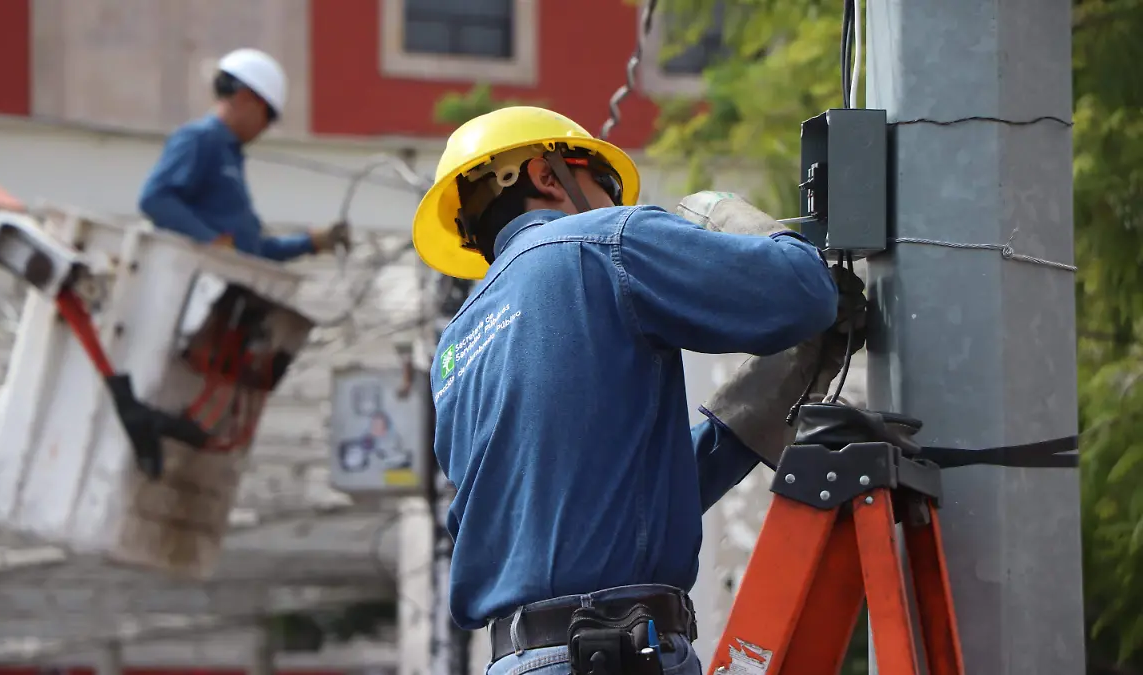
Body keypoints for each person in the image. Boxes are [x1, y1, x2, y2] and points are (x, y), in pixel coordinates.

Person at [411, 106, 867, 675]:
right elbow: (802, 291)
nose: (613, 199)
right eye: (601, 181)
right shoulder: (602, 241)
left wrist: (753, 411)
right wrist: (730, 218)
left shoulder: (455, 349)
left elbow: (618, 505)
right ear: (546, 174)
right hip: (614, 652)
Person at [138, 48, 348, 261]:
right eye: (269, 115)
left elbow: (252, 251)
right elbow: (155, 199)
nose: (266, 127)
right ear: (246, 97)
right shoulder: (200, 139)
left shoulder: (228, 154)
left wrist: (311, 242)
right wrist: (212, 242)